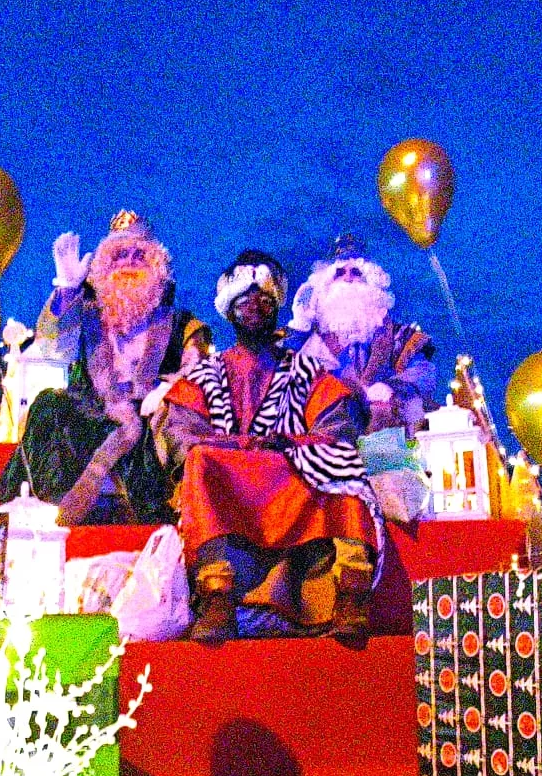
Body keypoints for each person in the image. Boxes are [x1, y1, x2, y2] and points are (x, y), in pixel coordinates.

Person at [159, 250, 384, 645]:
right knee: (199, 461)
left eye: (265, 301)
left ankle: (350, 591)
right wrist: (237, 447)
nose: (256, 308)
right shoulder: (203, 374)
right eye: (245, 301)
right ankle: (217, 596)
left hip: (291, 478)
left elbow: (336, 429)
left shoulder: (306, 370)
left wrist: (281, 446)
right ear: (230, 310)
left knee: (343, 462)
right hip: (228, 484)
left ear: (276, 308)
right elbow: (180, 435)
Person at [0, 211, 211, 525]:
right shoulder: (85, 314)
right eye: (119, 255)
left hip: (150, 415)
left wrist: (171, 389)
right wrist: (68, 289)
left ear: (157, 268)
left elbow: (200, 375)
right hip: (91, 409)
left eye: (139, 255)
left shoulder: (181, 323)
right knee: (49, 404)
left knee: (167, 425)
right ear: (103, 267)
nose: (128, 263)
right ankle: (43, 510)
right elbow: (53, 344)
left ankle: (151, 517)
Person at [286, 234, 437, 434]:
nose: (348, 278)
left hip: (385, 428)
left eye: (355, 272)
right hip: (326, 427)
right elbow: (276, 369)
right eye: (340, 272)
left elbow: (425, 371)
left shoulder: (397, 335)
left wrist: (392, 387)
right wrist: (299, 325)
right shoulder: (309, 337)